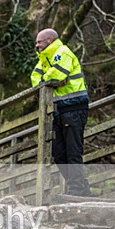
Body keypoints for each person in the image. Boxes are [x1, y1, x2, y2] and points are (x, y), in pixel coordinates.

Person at [31, 28, 92, 196]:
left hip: (74, 107)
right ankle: (82, 188)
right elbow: (35, 81)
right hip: (58, 110)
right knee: (58, 154)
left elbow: (56, 77)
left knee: (73, 150)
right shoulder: (44, 59)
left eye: (39, 42)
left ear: (50, 40)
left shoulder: (62, 52)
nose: (37, 45)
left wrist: (50, 80)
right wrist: (49, 81)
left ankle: (77, 189)